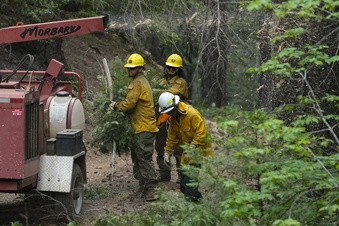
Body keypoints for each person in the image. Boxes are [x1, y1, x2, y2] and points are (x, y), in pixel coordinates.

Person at [110, 53, 159, 201]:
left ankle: (152, 189)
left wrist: (116, 106)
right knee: (138, 158)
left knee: (143, 158)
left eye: (133, 68)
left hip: (143, 127)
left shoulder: (137, 83)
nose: (130, 70)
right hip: (141, 126)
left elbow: (129, 104)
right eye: (129, 68)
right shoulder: (141, 81)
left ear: (140, 68)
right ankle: (143, 187)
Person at [157, 91, 213, 202]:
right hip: (186, 153)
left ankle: (191, 208)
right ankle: (200, 203)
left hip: (198, 152)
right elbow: (172, 136)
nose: (169, 114)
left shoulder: (192, 114)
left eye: (170, 111)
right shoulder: (173, 119)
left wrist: (193, 146)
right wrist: (167, 152)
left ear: (175, 106)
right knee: (183, 186)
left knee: (189, 187)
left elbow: (201, 133)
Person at [155, 54, 188, 183]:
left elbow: (168, 94)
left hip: (177, 117)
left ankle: (182, 175)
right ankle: (164, 173)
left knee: (179, 148)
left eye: (174, 68)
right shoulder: (161, 81)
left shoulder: (181, 83)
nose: (171, 70)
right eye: (169, 67)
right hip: (162, 117)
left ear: (178, 69)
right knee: (160, 146)